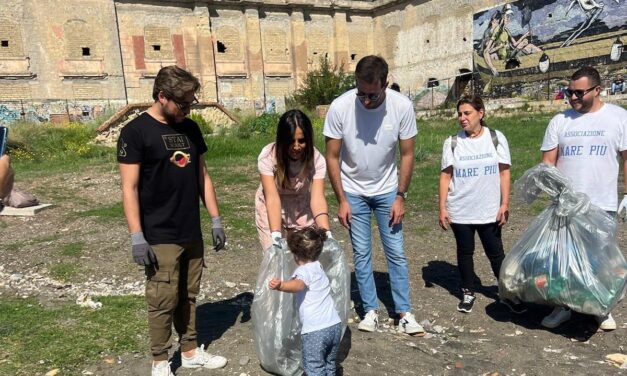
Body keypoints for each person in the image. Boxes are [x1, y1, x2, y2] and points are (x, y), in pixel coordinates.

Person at [117, 65, 228, 376]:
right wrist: (136, 235)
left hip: (190, 229)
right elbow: (130, 187)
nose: (187, 108)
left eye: (191, 102)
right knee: (162, 299)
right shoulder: (136, 132)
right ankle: (160, 361)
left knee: (189, 295)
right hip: (159, 233)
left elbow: (202, 175)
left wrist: (216, 218)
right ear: (162, 96)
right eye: (183, 103)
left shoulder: (190, 129)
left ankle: (190, 352)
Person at [323, 55, 424, 335]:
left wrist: (400, 196)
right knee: (362, 253)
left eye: (372, 95)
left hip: (388, 190)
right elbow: (331, 157)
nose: (365, 101)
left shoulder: (401, 106)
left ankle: (404, 312)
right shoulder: (341, 107)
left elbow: (407, 153)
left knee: (396, 252)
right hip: (353, 191)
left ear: (386, 84)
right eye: (361, 94)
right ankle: (370, 310)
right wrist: (342, 199)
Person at [540, 66, 627, 331]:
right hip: (566, 206)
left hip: (602, 203)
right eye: (569, 92)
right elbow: (547, 163)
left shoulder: (618, 118)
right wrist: (554, 193)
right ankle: (563, 307)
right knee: (563, 260)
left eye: (579, 92)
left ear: (597, 90)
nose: (573, 97)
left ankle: (600, 308)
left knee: (600, 260)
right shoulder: (560, 121)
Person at [438, 95, 526, 314]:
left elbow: (504, 173)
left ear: (481, 113)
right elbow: (445, 177)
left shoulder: (496, 138)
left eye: (467, 113)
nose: (462, 118)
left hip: (489, 209)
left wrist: (504, 203)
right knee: (465, 252)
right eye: (459, 114)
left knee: (496, 253)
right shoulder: (453, 142)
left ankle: (506, 293)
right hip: (461, 210)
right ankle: (468, 291)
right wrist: (442, 207)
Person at [268, 227, 342, 376]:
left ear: (295, 255)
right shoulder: (318, 266)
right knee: (329, 364)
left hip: (315, 331)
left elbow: (298, 285)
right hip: (334, 325)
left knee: (315, 367)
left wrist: (281, 285)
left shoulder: (303, 271)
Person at [255, 109, 331, 251]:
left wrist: (327, 233)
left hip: (301, 208)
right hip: (272, 207)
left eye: (301, 141)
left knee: (306, 255)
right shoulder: (268, 157)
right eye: (291, 141)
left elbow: (318, 198)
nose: (296, 146)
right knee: (277, 258)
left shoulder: (316, 159)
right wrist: (276, 235)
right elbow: (272, 198)